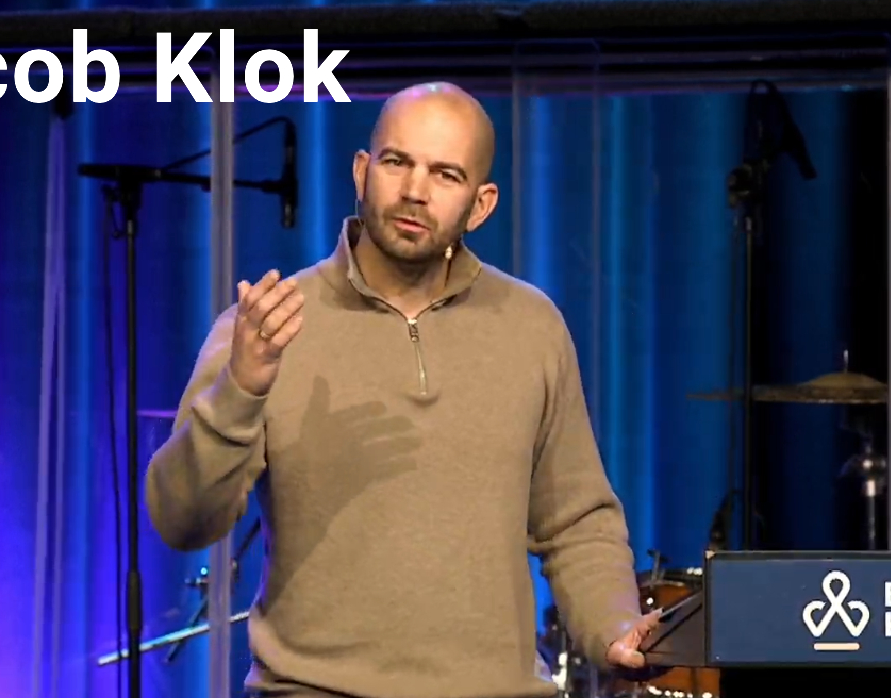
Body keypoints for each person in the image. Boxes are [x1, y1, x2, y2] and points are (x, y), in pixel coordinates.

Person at [145, 82, 659, 698]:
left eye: (445, 174)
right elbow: (181, 520)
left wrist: (614, 628)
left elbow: (576, 522)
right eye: (397, 162)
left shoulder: (531, 327)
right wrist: (240, 391)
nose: (415, 190)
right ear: (362, 171)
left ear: (481, 205)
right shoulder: (269, 325)